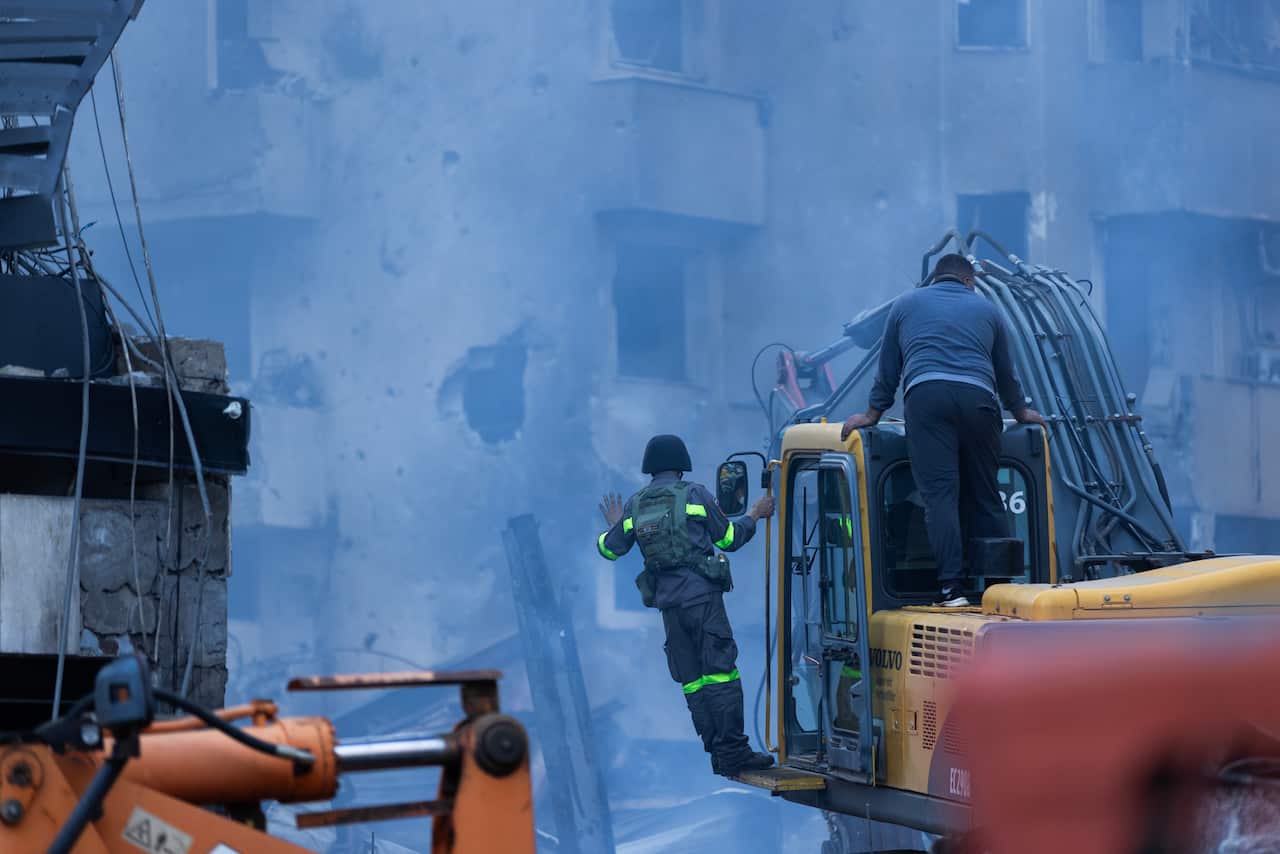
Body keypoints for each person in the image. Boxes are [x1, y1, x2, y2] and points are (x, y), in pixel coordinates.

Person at [840, 254, 1045, 608]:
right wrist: (1021, 411)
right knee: (986, 494)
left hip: (927, 398)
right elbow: (1005, 373)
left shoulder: (905, 305)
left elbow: (888, 368)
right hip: (979, 400)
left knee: (940, 497)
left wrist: (873, 413)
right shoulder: (989, 310)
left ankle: (951, 589)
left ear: (935, 278)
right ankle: (998, 590)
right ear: (969, 281)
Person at [596, 434, 777, 777]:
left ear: (650, 467)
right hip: (703, 602)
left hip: (670, 609)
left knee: (692, 680)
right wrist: (755, 514)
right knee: (721, 673)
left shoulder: (635, 504)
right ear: (681, 465)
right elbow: (729, 539)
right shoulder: (694, 495)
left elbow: (609, 549)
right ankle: (735, 752)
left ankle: (718, 754)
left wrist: (616, 525)